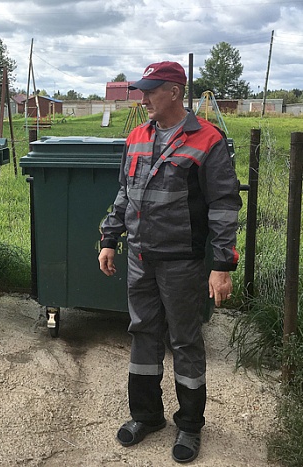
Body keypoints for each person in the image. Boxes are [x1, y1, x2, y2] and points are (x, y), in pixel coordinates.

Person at [98, 61, 241, 463]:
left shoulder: (207, 140)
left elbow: (224, 206)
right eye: (142, 91)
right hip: (142, 258)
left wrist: (222, 265)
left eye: (151, 90)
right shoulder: (137, 137)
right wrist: (110, 239)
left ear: (175, 92)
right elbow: (124, 195)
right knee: (143, 333)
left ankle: (190, 426)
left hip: (182, 262)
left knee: (185, 342)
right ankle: (147, 416)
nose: (143, 99)